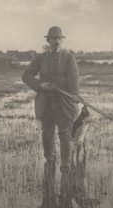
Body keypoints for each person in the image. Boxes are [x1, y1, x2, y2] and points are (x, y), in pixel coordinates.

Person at [22, 26, 80, 173]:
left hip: (64, 103)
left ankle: (65, 165)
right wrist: (40, 85)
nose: (57, 41)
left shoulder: (69, 58)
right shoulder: (40, 58)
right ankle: (50, 159)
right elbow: (26, 75)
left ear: (62, 40)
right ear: (48, 40)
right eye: (54, 38)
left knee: (65, 133)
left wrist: (74, 94)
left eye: (59, 38)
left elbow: (73, 79)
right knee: (47, 133)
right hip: (46, 103)